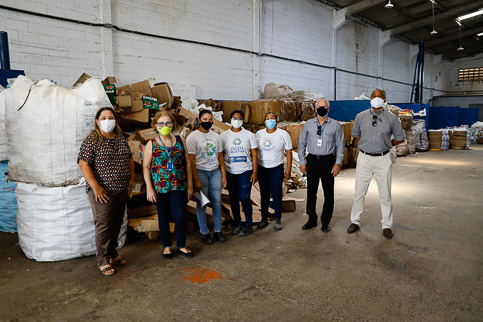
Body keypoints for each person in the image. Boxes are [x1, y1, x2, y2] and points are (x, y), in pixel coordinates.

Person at [78, 107, 134, 276]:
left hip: (121, 189)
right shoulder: (92, 140)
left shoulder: (120, 139)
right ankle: (103, 259)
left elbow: (130, 158)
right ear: (97, 121)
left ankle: (112, 253)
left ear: (115, 121)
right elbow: (83, 164)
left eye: (111, 117)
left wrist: (131, 180)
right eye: (104, 117)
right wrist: (96, 187)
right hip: (102, 191)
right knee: (104, 225)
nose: (107, 120)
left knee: (117, 222)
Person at [347, 88, 405, 239]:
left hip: (383, 158)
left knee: (385, 194)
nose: (377, 98)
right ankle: (355, 221)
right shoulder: (361, 117)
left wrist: (387, 143)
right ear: (370, 99)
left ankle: (387, 225)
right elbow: (356, 135)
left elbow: (400, 137)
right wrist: (367, 144)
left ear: (385, 99)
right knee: (359, 192)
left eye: (380, 96)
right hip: (364, 157)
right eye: (374, 96)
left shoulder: (392, 118)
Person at [143, 111, 194, 259]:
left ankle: (181, 245)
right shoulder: (151, 144)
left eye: (167, 123)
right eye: (161, 123)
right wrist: (149, 189)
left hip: (179, 185)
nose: (164, 126)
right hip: (160, 187)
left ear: (172, 124)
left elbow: (188, 163)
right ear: (155, 126)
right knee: (164, 217)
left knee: (180, 216)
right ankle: (167, 246)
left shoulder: (180, 140)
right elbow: (146, 166)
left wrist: (190, 186)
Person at [298, 99, 344, 232]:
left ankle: (325, 222)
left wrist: (338, 163)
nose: (321, 109)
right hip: (312, 160)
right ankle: (311, 219)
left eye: (324, 107)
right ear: (315, 108)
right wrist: (302, 162)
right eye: (319, 107)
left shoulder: (335, 125)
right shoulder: (308, 124)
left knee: (328, 192)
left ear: (328, 109)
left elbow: (340, 146)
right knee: (311, 191)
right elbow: (301, 144)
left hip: (328, 161)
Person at [186, 110, 227, 245]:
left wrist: (223, 175)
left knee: (217, 202)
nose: (208, 122)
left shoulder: (216, 136)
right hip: (200, 172)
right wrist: (195, 179)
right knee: (202, 203)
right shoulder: (193, 137)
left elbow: (220, 156)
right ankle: (204, 232)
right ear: (199, 119)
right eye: (205, 119)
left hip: (215, 172)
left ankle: (218, 230)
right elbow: (191, 160)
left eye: (210, 119)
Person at [220, 110, 258, 237]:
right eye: (234, 118)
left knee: (244, 197)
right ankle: (237, 223)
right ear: (230, 119)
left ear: (243, 121)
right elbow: (221, 155)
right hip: (230, 171)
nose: (237, 121)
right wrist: (223, 174)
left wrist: (255, 172)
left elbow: (254, 154)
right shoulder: (224, 136)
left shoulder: (249, 135)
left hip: (245, 171)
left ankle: (248, 224)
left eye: (239, 118)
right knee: (233, 198)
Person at [255, 112, 292, 230]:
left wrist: (288, 169)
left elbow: (289, 151)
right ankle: (264, 218)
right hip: (262, 168)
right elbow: (254, 151)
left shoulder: (283, 134)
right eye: (268, 118)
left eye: (272, 118)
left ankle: (278, 219)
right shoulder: (259, 134)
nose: (270, 120)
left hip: (276, 167)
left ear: (276, 121)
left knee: (276, 193)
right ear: (264, 121)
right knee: (264, 193)